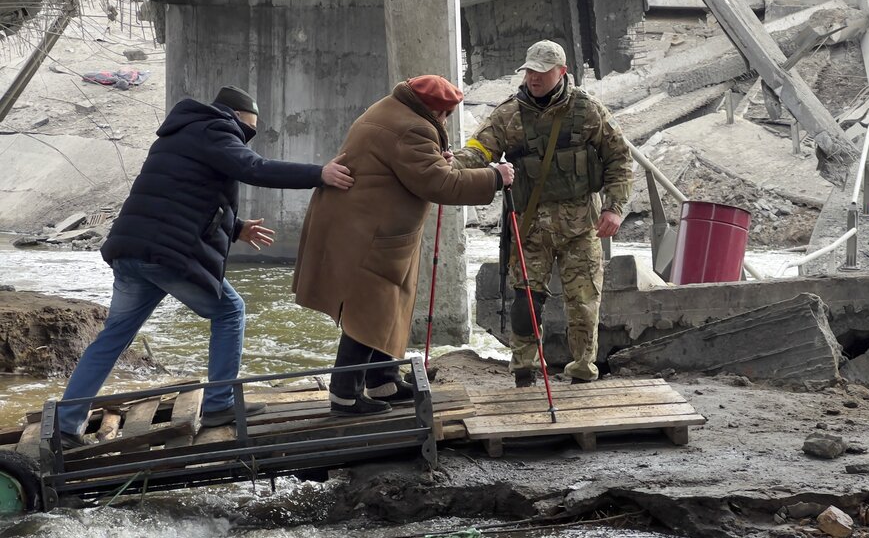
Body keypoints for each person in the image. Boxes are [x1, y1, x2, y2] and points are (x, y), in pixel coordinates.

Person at [58, 85, 355, 448]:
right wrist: (318, 174)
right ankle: (219, 404)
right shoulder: (215, 129)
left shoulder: (181, 133)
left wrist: (237, 227)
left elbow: (184, 196)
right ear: (239, 115)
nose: (249, 134)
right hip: (164, 253)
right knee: (231, 311)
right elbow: (253, 167)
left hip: (133, 249)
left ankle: (66, 424)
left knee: (113, 338)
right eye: (250, 127)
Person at [293, 75, 514, 416]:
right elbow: (439, 183)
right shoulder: (412, 128)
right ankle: (344, 395)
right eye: (444, 114)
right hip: (367, 233)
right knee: (366, 311)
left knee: (388, 308)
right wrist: (495, 177)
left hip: (373, 230)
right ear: (431, 109)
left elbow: (415, 168)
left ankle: (383, 379)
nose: (445, 121)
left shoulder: (393, 109)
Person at [452, 40, 632, 387]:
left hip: (582, 227)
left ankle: (582, 369)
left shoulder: (587, 111)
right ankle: (524, 370)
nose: (533, 78)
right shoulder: (509, 114)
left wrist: (615, 208)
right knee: (525, 303)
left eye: (541, 72)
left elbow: (619, 158)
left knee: (582, 304)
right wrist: (453, 163)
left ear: (561, 72)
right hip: (530, 229)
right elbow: (480, 147)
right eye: (529, 71)